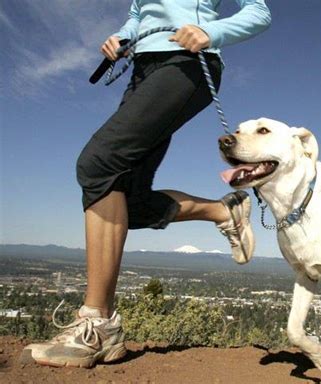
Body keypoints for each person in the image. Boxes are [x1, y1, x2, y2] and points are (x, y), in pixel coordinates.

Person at [22, 0, 271, 368]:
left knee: (98, 164)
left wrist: (211, 32)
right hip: (142, 68)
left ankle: (98, 322)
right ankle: (225, 210)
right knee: (129, 203)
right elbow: (139, 13)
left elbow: (259, 11)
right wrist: (123, 36)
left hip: (186, 64)